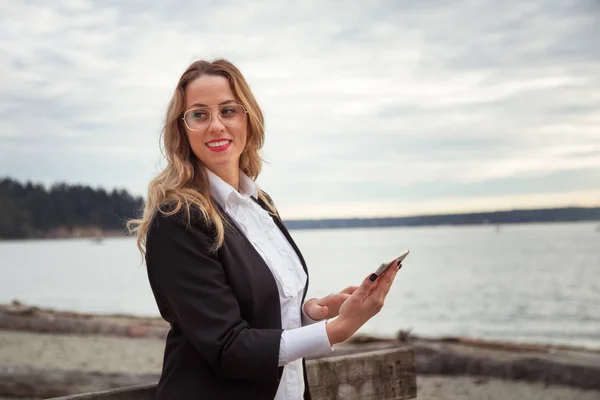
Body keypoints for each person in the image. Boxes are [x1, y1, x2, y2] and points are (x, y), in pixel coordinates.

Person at [127, 59, 401, 400]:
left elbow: (258, 314)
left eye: (228, 111)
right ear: (182, 130)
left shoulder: (260, 204)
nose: (216, 125)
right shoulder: (178, 220)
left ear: (248, 119)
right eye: (199, 114)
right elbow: (229, 347)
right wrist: (337, 330)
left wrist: (312, 314)